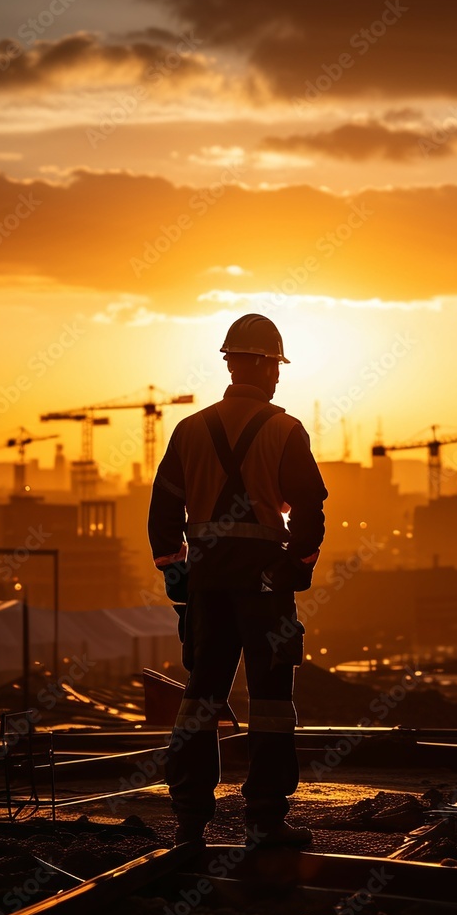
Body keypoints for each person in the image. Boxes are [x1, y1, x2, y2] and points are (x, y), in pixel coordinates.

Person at [148, 313, 327, 847]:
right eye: (274, 366)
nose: (277, 377)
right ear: (267, 368)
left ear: (230, 362)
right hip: (263, 589)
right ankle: (266, 817)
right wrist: (293, 570)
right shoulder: (284, 430)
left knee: (202, 696)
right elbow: (312, 510)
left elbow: (163, 516)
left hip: (207, 584)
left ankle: (190, 817)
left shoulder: (189, 429)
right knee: (270, 702)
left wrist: (179, 580)